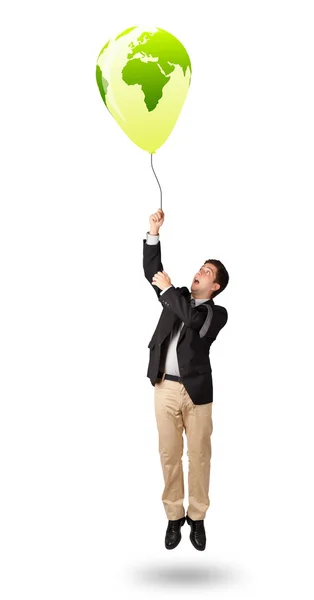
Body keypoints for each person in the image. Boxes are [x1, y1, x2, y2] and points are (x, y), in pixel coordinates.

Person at [143, 208, 229, 551]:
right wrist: (153, 232)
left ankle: (198, 517)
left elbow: (193, 321)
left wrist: (169, 293)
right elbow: (153, 271)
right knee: (168, 454)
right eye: (199, 268)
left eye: (206, 272)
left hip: (197, 395)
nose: (198, 272)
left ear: (215, 285)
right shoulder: (174, 298)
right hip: (165, 387)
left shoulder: (216, 313)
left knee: (199, 456)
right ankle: (173, 517)